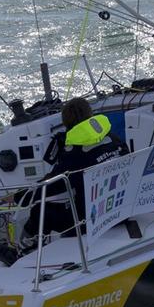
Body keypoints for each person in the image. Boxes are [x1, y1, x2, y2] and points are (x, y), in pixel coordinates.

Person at [36, 97, 129, 236]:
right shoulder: (115, 140)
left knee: (40, 210)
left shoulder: (74, 154)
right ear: (90, 115)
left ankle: (24, 248)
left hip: (92, 219)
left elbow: (51, 187)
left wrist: (20, 196)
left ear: (66, 122)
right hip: (122, 211)